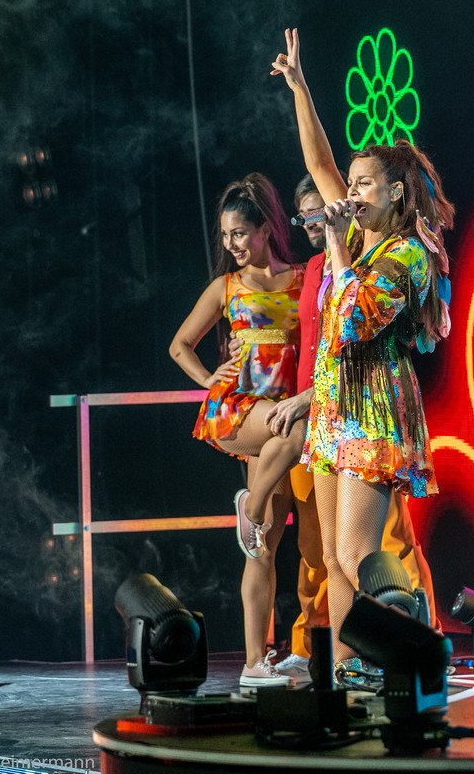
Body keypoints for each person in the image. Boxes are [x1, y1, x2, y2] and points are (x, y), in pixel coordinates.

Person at [269, 28, 452, 678]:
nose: (349, 193)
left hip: (372, 412)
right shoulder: (360, 241)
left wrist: (336, 242)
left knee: (355, 554)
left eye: (365, 184)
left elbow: (352, 318)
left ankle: (406, 650)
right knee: (330, 560)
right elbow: (320, 164)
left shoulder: (408, 254)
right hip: (331, 409)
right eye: (351, 184)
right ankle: (352, 665)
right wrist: (301, 89)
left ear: (395, 192)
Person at [168, 173, 305, 687]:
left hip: (280, 423)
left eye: (240, 233)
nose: (231, 244)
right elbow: (179, 345)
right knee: (293, 430)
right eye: (225, 236)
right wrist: (209, 377)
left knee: (262, 547)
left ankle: (253, 664)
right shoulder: (226, 287)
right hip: (240, 410)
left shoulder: (301, 279)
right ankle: (250, 507)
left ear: (266, 228)